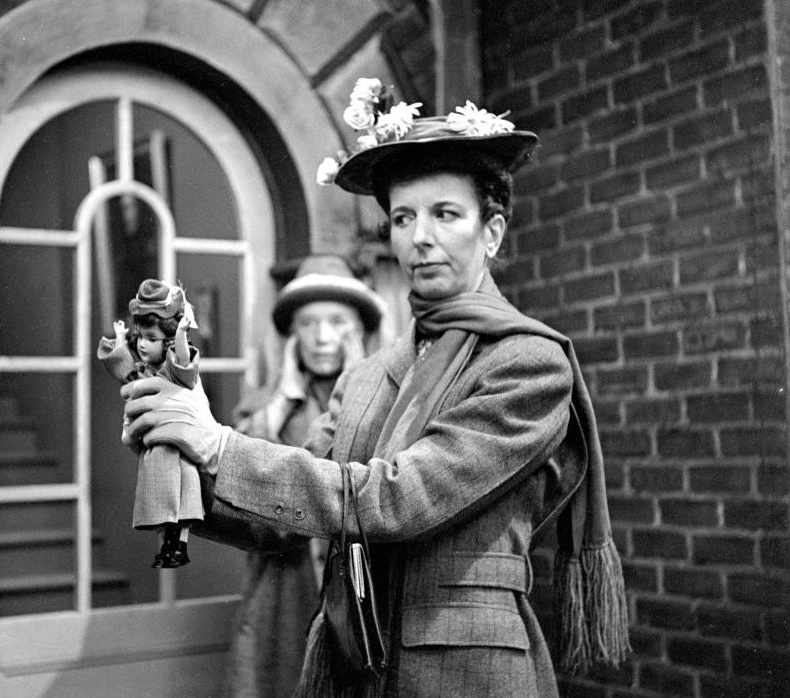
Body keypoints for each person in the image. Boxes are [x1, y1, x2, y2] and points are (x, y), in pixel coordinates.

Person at [122, 78, 630, 696]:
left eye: (446, 214)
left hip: (466, 674)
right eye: (402, 218)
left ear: (490, 233)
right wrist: (176, 448)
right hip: (354, 666)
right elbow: (289, 520)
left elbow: (400, 500)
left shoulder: (528, 363)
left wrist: (221, 446)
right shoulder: (368, 374)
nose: (420, 236)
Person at [224, 255, 386, 698]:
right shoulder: (262, 407)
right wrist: (283, 398)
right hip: (283, 596)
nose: (321, 337)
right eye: (307, 324)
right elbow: (245, 490)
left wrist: (359, 385)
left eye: (337, 322)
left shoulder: (390, 404)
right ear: (292, 335)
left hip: (358, 599)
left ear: (359, 331)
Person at [98, 279, 201, 568]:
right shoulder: (144, 372)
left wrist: (181, 333)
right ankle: (168, 547)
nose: (143, 344)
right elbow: (124, 370)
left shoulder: (172, 372)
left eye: (152, 338)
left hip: (177, 450)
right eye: (141, 336)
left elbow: (183, 359)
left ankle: (179, 547)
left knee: (180, 504)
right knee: (161, 504)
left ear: (166, 341)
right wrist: (120, 339)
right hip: (154, 450)